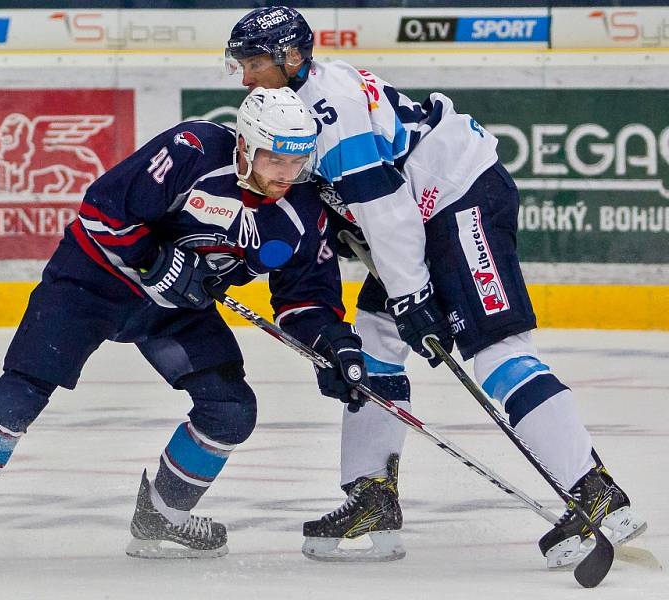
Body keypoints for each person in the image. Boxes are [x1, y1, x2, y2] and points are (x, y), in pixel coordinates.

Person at [225, 6, 647, 565]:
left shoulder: (336, 110)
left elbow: (388, 210)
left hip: (457, 196)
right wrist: (403, 294)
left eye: (255, 62)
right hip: (415, 221)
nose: (246, 76)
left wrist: (412, 294)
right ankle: (370, 495)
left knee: (497, 351)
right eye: (242, 63)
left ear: (293, 56)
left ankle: (595, 494)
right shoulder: (296, 103)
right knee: (373, 339)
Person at [0, 86, 369, 561]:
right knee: (23, 388)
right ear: (246, 147)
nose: (286, 174)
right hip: (92, 282)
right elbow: (104, 209)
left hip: (173, 311)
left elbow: (306, 299)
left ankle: (160, 516)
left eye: (297, 161)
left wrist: (332, 343)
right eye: (276, 159)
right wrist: (155, 262)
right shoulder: (193, 150)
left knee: (231, 409)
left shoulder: (303, 210)